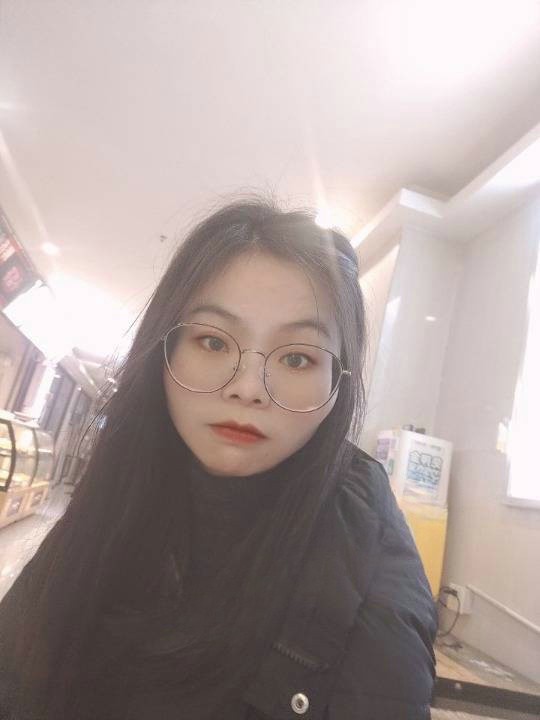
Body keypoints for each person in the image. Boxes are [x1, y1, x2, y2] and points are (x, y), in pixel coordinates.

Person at [0, 198, 437, 719]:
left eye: (297, 357)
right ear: (165, 350)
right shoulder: (122, 485)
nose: (248, 388)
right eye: (212, 342)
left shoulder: (369, 563)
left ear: (337, 386)